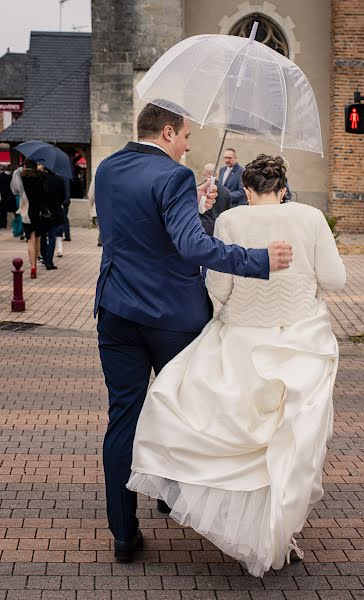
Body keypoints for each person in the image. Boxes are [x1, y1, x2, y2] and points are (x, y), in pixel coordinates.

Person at [128, 154, 346, 577]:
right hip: (300, 343)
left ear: (246, 190)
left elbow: (219, 287)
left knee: (243, 439)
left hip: (242, 342)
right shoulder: (311, 217)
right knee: (288, 443)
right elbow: (335, 279)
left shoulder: (230, 221)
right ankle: (279, 531)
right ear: (283, 188)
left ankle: (248, 528)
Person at [94, 104, 293, 563]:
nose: (187, 143)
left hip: (117, 312)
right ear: (167, 132)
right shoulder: (174, 177)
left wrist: (194, 207)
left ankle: (124, 533)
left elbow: (141, 230)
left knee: (123, 418)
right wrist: (258, 260)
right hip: (172, 319)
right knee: (183, 413)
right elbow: (190, 247)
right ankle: (176, 501)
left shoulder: (108, 168)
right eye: (185, 135)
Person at [11, 160, 46, 279]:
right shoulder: (41, 176)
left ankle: (32, 266)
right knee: (37, 238)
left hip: (26, 211)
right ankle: (36, 261)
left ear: (25, 166)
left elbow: (15, 190)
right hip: (39, 211)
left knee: (30, 240)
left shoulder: (21, 176)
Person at [40, 168, 66, 270]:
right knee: (52, 237)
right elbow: (63, 197)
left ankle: (44, 257)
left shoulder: (41, 179)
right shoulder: (59, 180)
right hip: (55, 211)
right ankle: (49, 261)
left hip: (43, 211)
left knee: (42, 236)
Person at [199, 162, 231, 236]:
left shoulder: (198, 191)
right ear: (217, 173)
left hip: (203, 229)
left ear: (203, 173)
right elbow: (228, 211)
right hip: (220, 229)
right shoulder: (226, 192)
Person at [88, 177, 102, 246]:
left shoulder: (95, 180)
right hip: (110, 209)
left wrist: (91, 206)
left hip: (98, 209)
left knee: (101, 227)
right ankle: (101, 239)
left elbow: (91, 196)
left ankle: (101, 239)